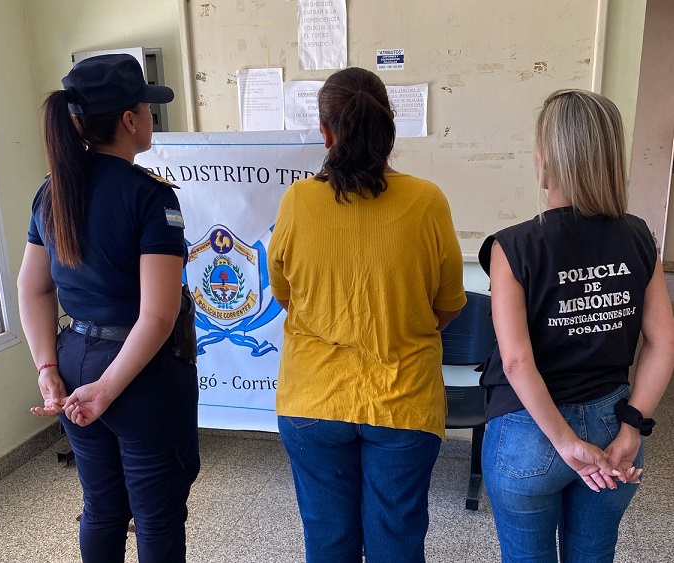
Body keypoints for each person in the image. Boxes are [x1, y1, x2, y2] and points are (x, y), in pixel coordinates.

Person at [267, 67, 466, 563]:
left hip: (312, 398)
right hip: (405, 398)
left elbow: (286, 295)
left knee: (327, 540)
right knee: (396, 539)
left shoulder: (297, 201)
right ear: (390, 122)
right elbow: (447, 306)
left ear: (325, 132)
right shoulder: (427, 201)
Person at [17, 54, 200, 563]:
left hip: (74, 359)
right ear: (129, 120)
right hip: (141, 373)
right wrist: (108, 388)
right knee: (157, 517)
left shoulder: (52, 191)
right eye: (146, 108)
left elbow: (32, 289)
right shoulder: (150, 197)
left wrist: (47, 369)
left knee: (101, 508)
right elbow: (158, 316)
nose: (149, 117)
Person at [478, 89, 674, 563]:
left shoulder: (513, 246)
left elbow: (516, 361)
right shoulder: (639, 236)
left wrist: (565, 443)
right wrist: (632, 429)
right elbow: (663, 342)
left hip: (529, 431)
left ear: (547, 159)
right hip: (613, 425)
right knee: (594, 554)